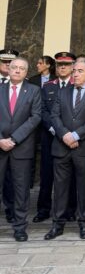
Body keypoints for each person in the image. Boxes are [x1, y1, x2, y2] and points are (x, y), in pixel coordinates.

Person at [44, 58, 85, 240]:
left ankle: (83, 223)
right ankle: (57, 224)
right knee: (60, 188)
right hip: (62, 146)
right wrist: (65, 135)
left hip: (83, 148)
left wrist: (76, 135)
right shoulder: (63, 92)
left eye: (79, 71)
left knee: (83, 188)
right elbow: (54, 115)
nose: (75, 74)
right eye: (74, 71)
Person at [0, 57, 41, 241]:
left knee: (21, 189)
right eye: (14, 67)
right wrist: (1, 139)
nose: (17, 70)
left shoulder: (33, 91)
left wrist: (14, 139)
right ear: (8, 70)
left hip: (21, 147)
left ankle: (19, 227)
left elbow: (36, 117)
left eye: (21, 68)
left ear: (26, 72)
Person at [35, 51, 77, 223]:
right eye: (60, 64)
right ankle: (43, 209)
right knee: (47, 175)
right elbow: (43, 111)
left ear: (73, 66)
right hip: (51, 137)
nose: (63, 67)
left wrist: (70, 134)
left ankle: (70, 209)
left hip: (72, 139)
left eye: (66, 64)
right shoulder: (48, 86)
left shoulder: (77, 85)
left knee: (72, 176)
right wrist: (55, 130)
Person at [0, 49, 19, 224]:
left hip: (17, 143)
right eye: (4, 61)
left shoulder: (26, 87)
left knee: (12, 181)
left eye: (10, 62)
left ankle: (11, 210)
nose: (7, 65)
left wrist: (14, 138)